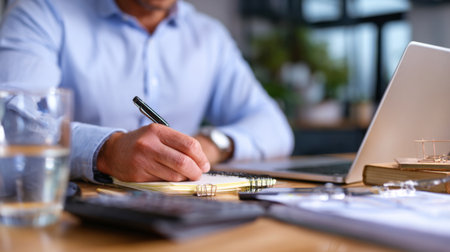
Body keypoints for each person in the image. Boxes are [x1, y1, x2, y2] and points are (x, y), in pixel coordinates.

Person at [0, 0, 294, 183]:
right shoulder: (40, 11)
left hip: (184, 215)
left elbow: (274, 127)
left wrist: (212, 144)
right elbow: (9, 119)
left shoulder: (209, 36)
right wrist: (106, 150)